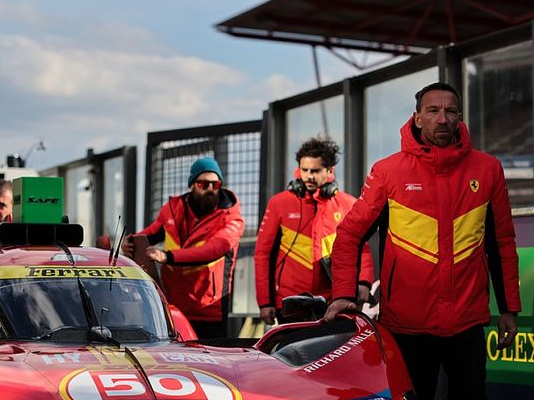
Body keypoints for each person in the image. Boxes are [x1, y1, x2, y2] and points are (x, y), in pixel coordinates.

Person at [322, 82, 521, 400]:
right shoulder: (388, 172)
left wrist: (510, 308)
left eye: (451, 111)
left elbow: (502, 244)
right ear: (417, 116)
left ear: (459, 117)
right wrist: (342, 295)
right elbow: (348, 237)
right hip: (407, 323)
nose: (443, 118)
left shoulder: (488, 170)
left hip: (468, 320)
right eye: (433, 110)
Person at [122, 157, 245, 339]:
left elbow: (214, 250)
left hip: (209, 311)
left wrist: (168, 256)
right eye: (204, 184)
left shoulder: (232, 218)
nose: (210, 189)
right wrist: (130, 241)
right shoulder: (172, 209)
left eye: (215, 183)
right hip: (172, 307)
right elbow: (149, 234)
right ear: (192, 184)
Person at [255, 136, 374, 324]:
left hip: (333, 300)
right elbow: (263, 254)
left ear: (329, 171)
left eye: (315, 171)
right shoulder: (279, 203)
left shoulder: (347, 204)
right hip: (290, 301)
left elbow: (362, 248)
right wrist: (265, 302)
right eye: (304, 170)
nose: (309, 176)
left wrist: (364, 282)